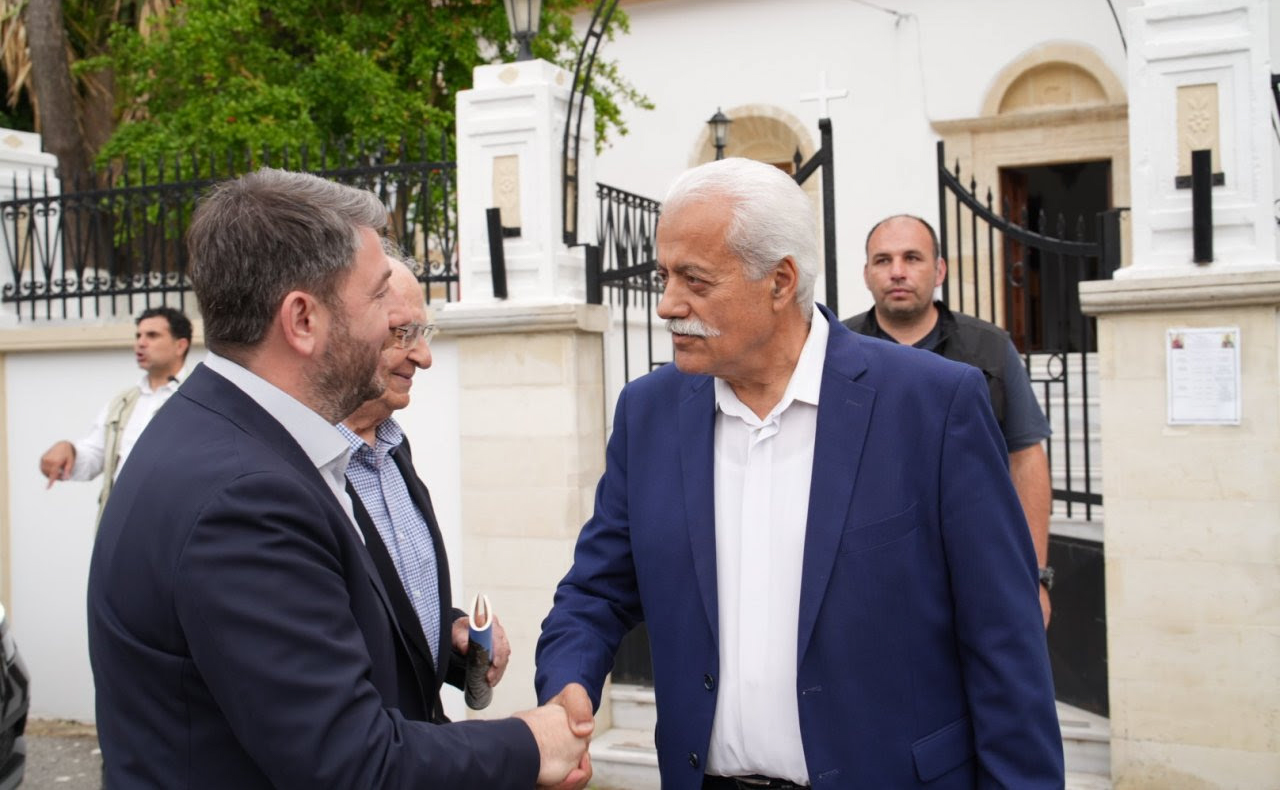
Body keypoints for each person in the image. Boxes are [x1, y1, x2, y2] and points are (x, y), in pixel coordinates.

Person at [535, 158, 1062, 789]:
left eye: (694, 280)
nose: (667, 304)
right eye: (663, 276)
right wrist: (567, 682)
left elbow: (1005, 641)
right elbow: (596, 591)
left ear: (780, 281)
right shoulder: (648, 414)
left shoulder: (932, 404)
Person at [88, 168, 587, 789]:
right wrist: (529, 743)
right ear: (303, 319)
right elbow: (351, 764)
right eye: (379, 300)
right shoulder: (246, 497)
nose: (401, 337)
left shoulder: (227, 438)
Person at [842, 214, 1055, 625]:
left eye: (912, 258)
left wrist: (1036, 576)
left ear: (939, 270)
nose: (897, 272)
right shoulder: (838, 351)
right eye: (883, 260)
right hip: (867, 575)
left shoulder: (990, 349)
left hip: (977, 566)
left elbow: (1026, 458)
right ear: (866, 274)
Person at [338, 251, 511, 723]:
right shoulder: (303, 469)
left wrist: (451, 632)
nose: (425, 357)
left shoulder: (393, 448)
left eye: (424, 333)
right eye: (403, 333)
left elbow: (390, 612)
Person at [39, 306, 193, 513]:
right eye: (138, 336)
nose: (141, 343)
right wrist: (68, 451)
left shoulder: (198, 398)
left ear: (180, 345)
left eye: (152, 335)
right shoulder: (122, 403)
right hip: (122, 518)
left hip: (175, 516)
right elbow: (94, 457)